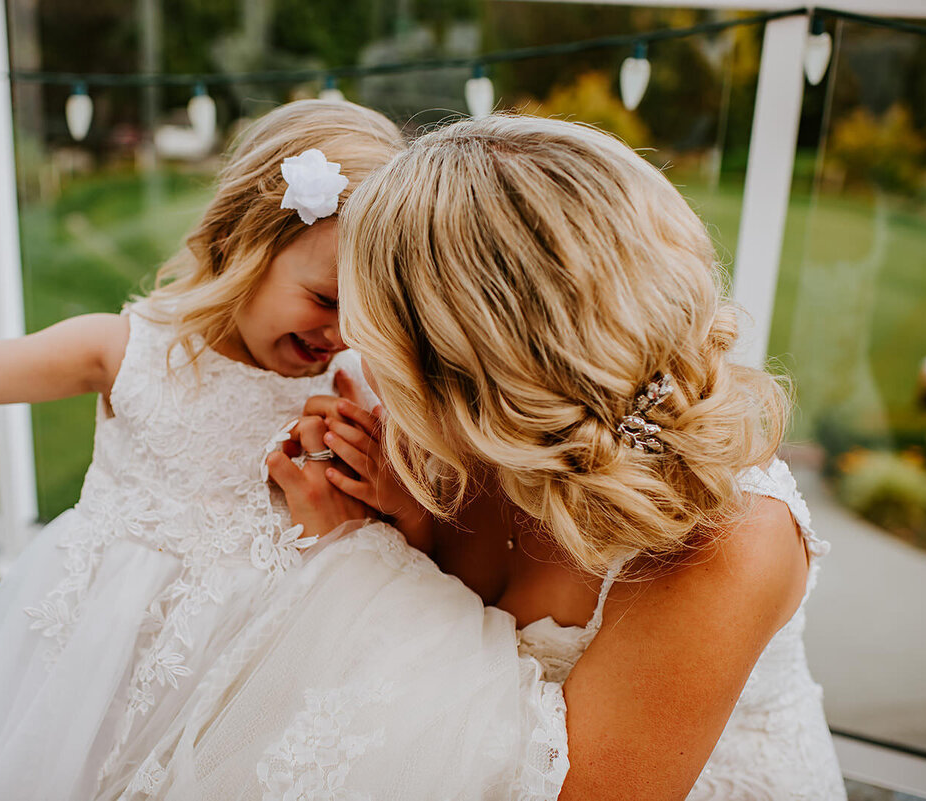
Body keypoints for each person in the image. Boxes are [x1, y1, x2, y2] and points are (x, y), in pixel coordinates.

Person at [131, 115, 847, 799]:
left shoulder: (732, 537)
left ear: (470, 359)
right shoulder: (440, 434)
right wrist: (407, 522)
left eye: (372, 322)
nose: (348, 338)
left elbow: (571, 789)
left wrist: (351, 554)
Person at [0, 99, 402, 800]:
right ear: (247, 242)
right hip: (100, 669)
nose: (342, 333)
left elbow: (394, 537)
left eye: (367, 313)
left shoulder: (351, 386)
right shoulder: (131, 351)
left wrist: (366, 493)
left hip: (250, 681)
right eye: (326, 299)